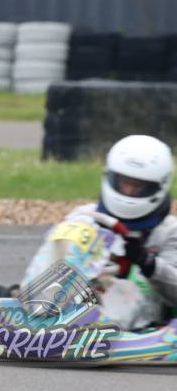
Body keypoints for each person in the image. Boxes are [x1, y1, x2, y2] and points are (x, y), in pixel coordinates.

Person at [64, 134, 176, 324]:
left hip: (143, 324)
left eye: (138, 186)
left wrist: (148, 263)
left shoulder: (170, 231)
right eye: (124, 182)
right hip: (81, 302)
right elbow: (53, 261)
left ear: (157, 186)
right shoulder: (84, 217)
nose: (129, 191)